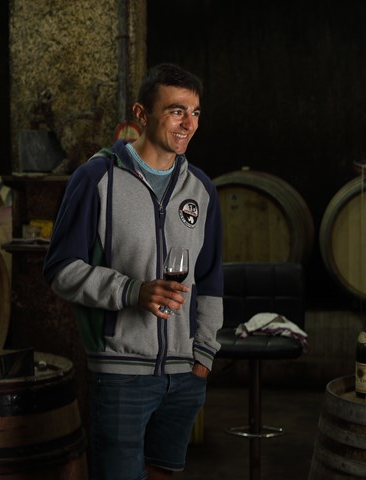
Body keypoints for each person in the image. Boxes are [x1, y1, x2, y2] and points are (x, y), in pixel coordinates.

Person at [43, 63, 223, 480]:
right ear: (142, 114)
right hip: (121, 374)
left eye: (195, 113)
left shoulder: (201, 189)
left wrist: (203, 356)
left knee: (163, 473)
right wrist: (130, 291)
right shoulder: (95, 178)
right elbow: (59, 269)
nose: (188, 124)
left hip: (185, 375)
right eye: (176, 111)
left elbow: (211, 277)